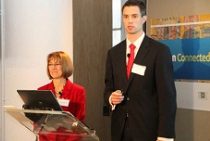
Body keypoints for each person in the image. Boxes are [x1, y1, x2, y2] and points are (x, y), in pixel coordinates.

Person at [103, 0, 177, 141]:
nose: (129, 21)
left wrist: (165, 135)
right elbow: (108, 88)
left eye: (134, 16)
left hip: (148, 130)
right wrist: (111, 98)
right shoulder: (113, 53)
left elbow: (167, 97)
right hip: (120, 130)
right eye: (126, 16)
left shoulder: (159, 51)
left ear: (144, 18)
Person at [38, 51, 86, 141]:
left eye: (57, 64)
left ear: (66, 66)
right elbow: (38, 122)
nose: (53, 68)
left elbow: (79, 123)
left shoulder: (78, 91)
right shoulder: (41, 90)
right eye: (50, 64)